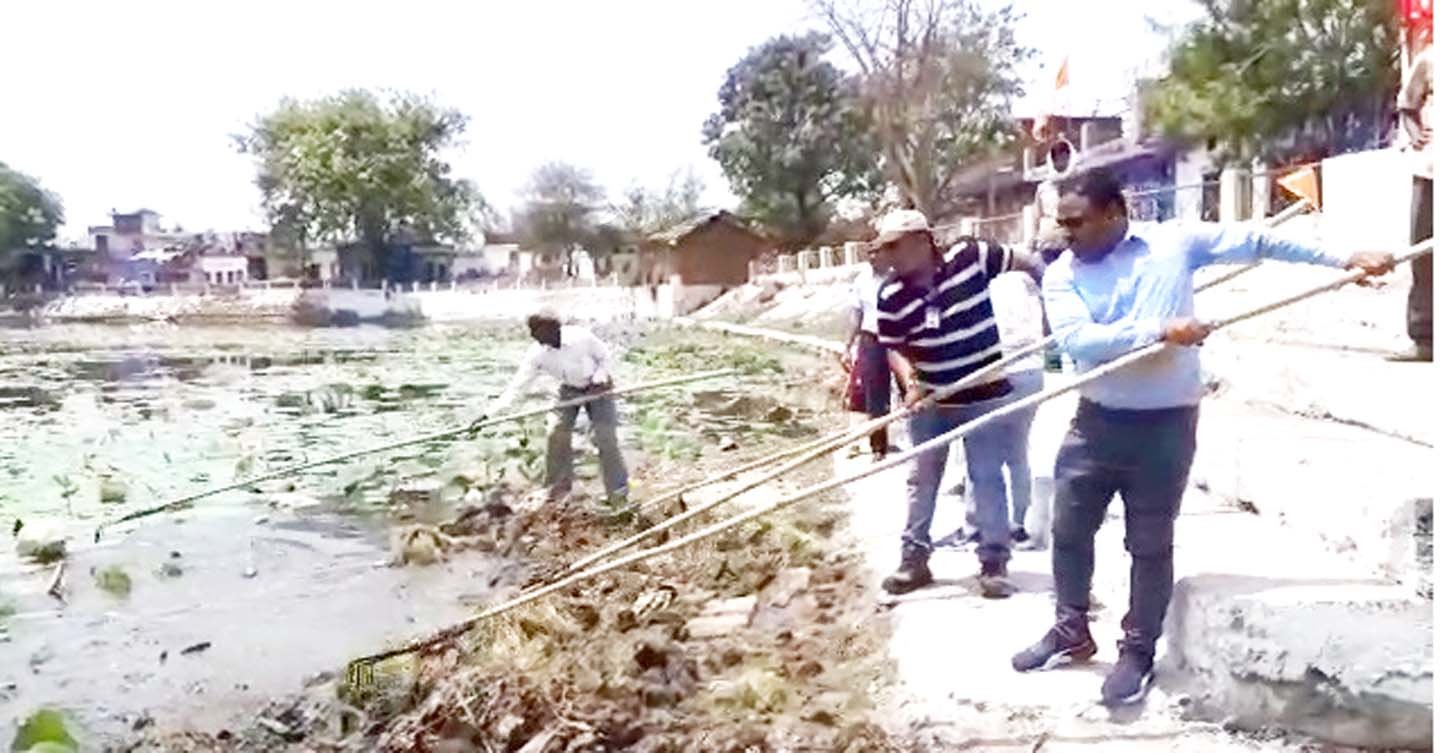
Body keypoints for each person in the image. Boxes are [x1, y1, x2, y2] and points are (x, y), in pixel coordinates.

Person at [1010, 169, 1396, 707]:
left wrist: (1346, 259)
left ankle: (1138, 650)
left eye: (1076, 222)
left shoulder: (1175, 243)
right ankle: (1070, 627)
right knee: (1069, 529)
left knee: (1149, 543)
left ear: (1114, 213)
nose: (1065, 234)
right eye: (1062, 223)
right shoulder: (1061, 274)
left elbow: (1258, 241)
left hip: (1166, 426)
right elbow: (1080, 341)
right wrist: (1159, 329)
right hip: (1095, 422)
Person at [871, 209, 1044, 599]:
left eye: (894, 246)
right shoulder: (891, 295)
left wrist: (1054, 298)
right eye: (885, 248)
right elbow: (895, 348)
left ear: (922, 240)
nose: (888, 256)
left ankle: (994, 563)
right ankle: (914, 561)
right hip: (932, 399)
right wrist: (911, 384)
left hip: (984, 393)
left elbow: (1027, 262)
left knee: (986, 477)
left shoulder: (970, 257)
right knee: (921, 480)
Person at [488, 307, 629, 505]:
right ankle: (557, 491)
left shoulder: (581, 338)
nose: (532, 335)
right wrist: (489, 413)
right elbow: (518, 386)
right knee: (555, 432)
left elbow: (605, 356)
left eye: (536, 330)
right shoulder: (537, 353)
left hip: (598, 387)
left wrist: (600, 377)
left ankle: (618, 493)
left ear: (553, 329)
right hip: (569, 389)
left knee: (605, 438)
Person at [842, 245, 899, 460]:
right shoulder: (861, 280)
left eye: (878, 252)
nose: (873, 257)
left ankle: (919, 439)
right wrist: (848, 346)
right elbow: (856, 315)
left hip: (898, 338)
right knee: (875, 393)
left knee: (909, 386)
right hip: (871, 339)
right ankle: (878, 447)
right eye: (870, 253)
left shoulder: (897, 276)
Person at [1397, 39, 1434, 362]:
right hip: (1431, 172)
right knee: (1423, 256)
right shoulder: (1431, 58)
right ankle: (1425, 338)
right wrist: (1414, 131)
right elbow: (1407, 105)